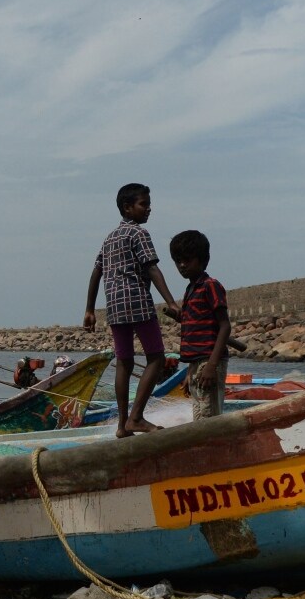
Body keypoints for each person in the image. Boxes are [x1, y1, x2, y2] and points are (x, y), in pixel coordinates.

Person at [84, 183, 179, 436]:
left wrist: (90, 309)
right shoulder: (138, 233)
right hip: (136, 300)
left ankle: (121, 425)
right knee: (156, 358)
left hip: (114, 306)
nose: (148, 209)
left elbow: (96, 273)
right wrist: (171, 302)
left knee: (124, 363)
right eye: (143, 205)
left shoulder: (109, 238)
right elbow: (151, 268)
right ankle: (136, 417)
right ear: (128, 208)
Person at [169, 230, 231, 420]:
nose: (182, 265)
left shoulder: (210, 286)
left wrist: (211, 366)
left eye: (187, 260)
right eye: (178, 261)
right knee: (199, 416)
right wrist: (190, 372)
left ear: (202, 260)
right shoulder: (190, 289)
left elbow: (225, 326)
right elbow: (195, 339)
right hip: (197, 364)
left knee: (208, 419)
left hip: (209, 362)